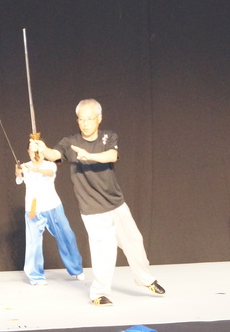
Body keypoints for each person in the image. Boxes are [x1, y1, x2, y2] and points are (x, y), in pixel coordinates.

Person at [29, 99, 165, 306]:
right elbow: (54, 154)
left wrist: (89, 156)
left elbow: (111, 156)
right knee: (104, 250)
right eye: (81, 119)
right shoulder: (70, 142)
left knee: (134, 242)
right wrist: (43, 148)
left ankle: (145, 279)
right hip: (91, 208)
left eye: (89, 119)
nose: (85, 123)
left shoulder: (108, 136)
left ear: (99, 119)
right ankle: (99, 294)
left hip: (116, 202)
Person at [15, 146, 85, 285]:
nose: (37, 155)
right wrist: (18, 172)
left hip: (53, 206)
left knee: (67, 236)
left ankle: (76, 269)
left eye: (39, 152)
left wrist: (35, 170)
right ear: (28, 152)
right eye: (33, 152)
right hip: (33, 210)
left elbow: (49, 173)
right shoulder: (25, 166)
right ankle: (36, 277)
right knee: (33, 243)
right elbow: (18, 180)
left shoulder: (50, 165)